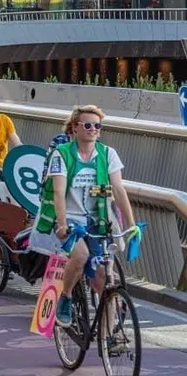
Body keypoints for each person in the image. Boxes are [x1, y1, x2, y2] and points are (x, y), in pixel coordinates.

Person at [46, 105, 137, 328]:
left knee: (106, 276)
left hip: (100, 220)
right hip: (70, 219)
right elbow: (58, 192)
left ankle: (109, 336)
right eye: (87, 125)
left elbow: (118, 189)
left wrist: (132, 225)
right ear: (75, 128)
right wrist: (61, 224)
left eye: (97, 126)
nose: (93, 129)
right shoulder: (63, 153)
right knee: (81, 255)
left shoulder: (107, 154)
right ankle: (66, 297)